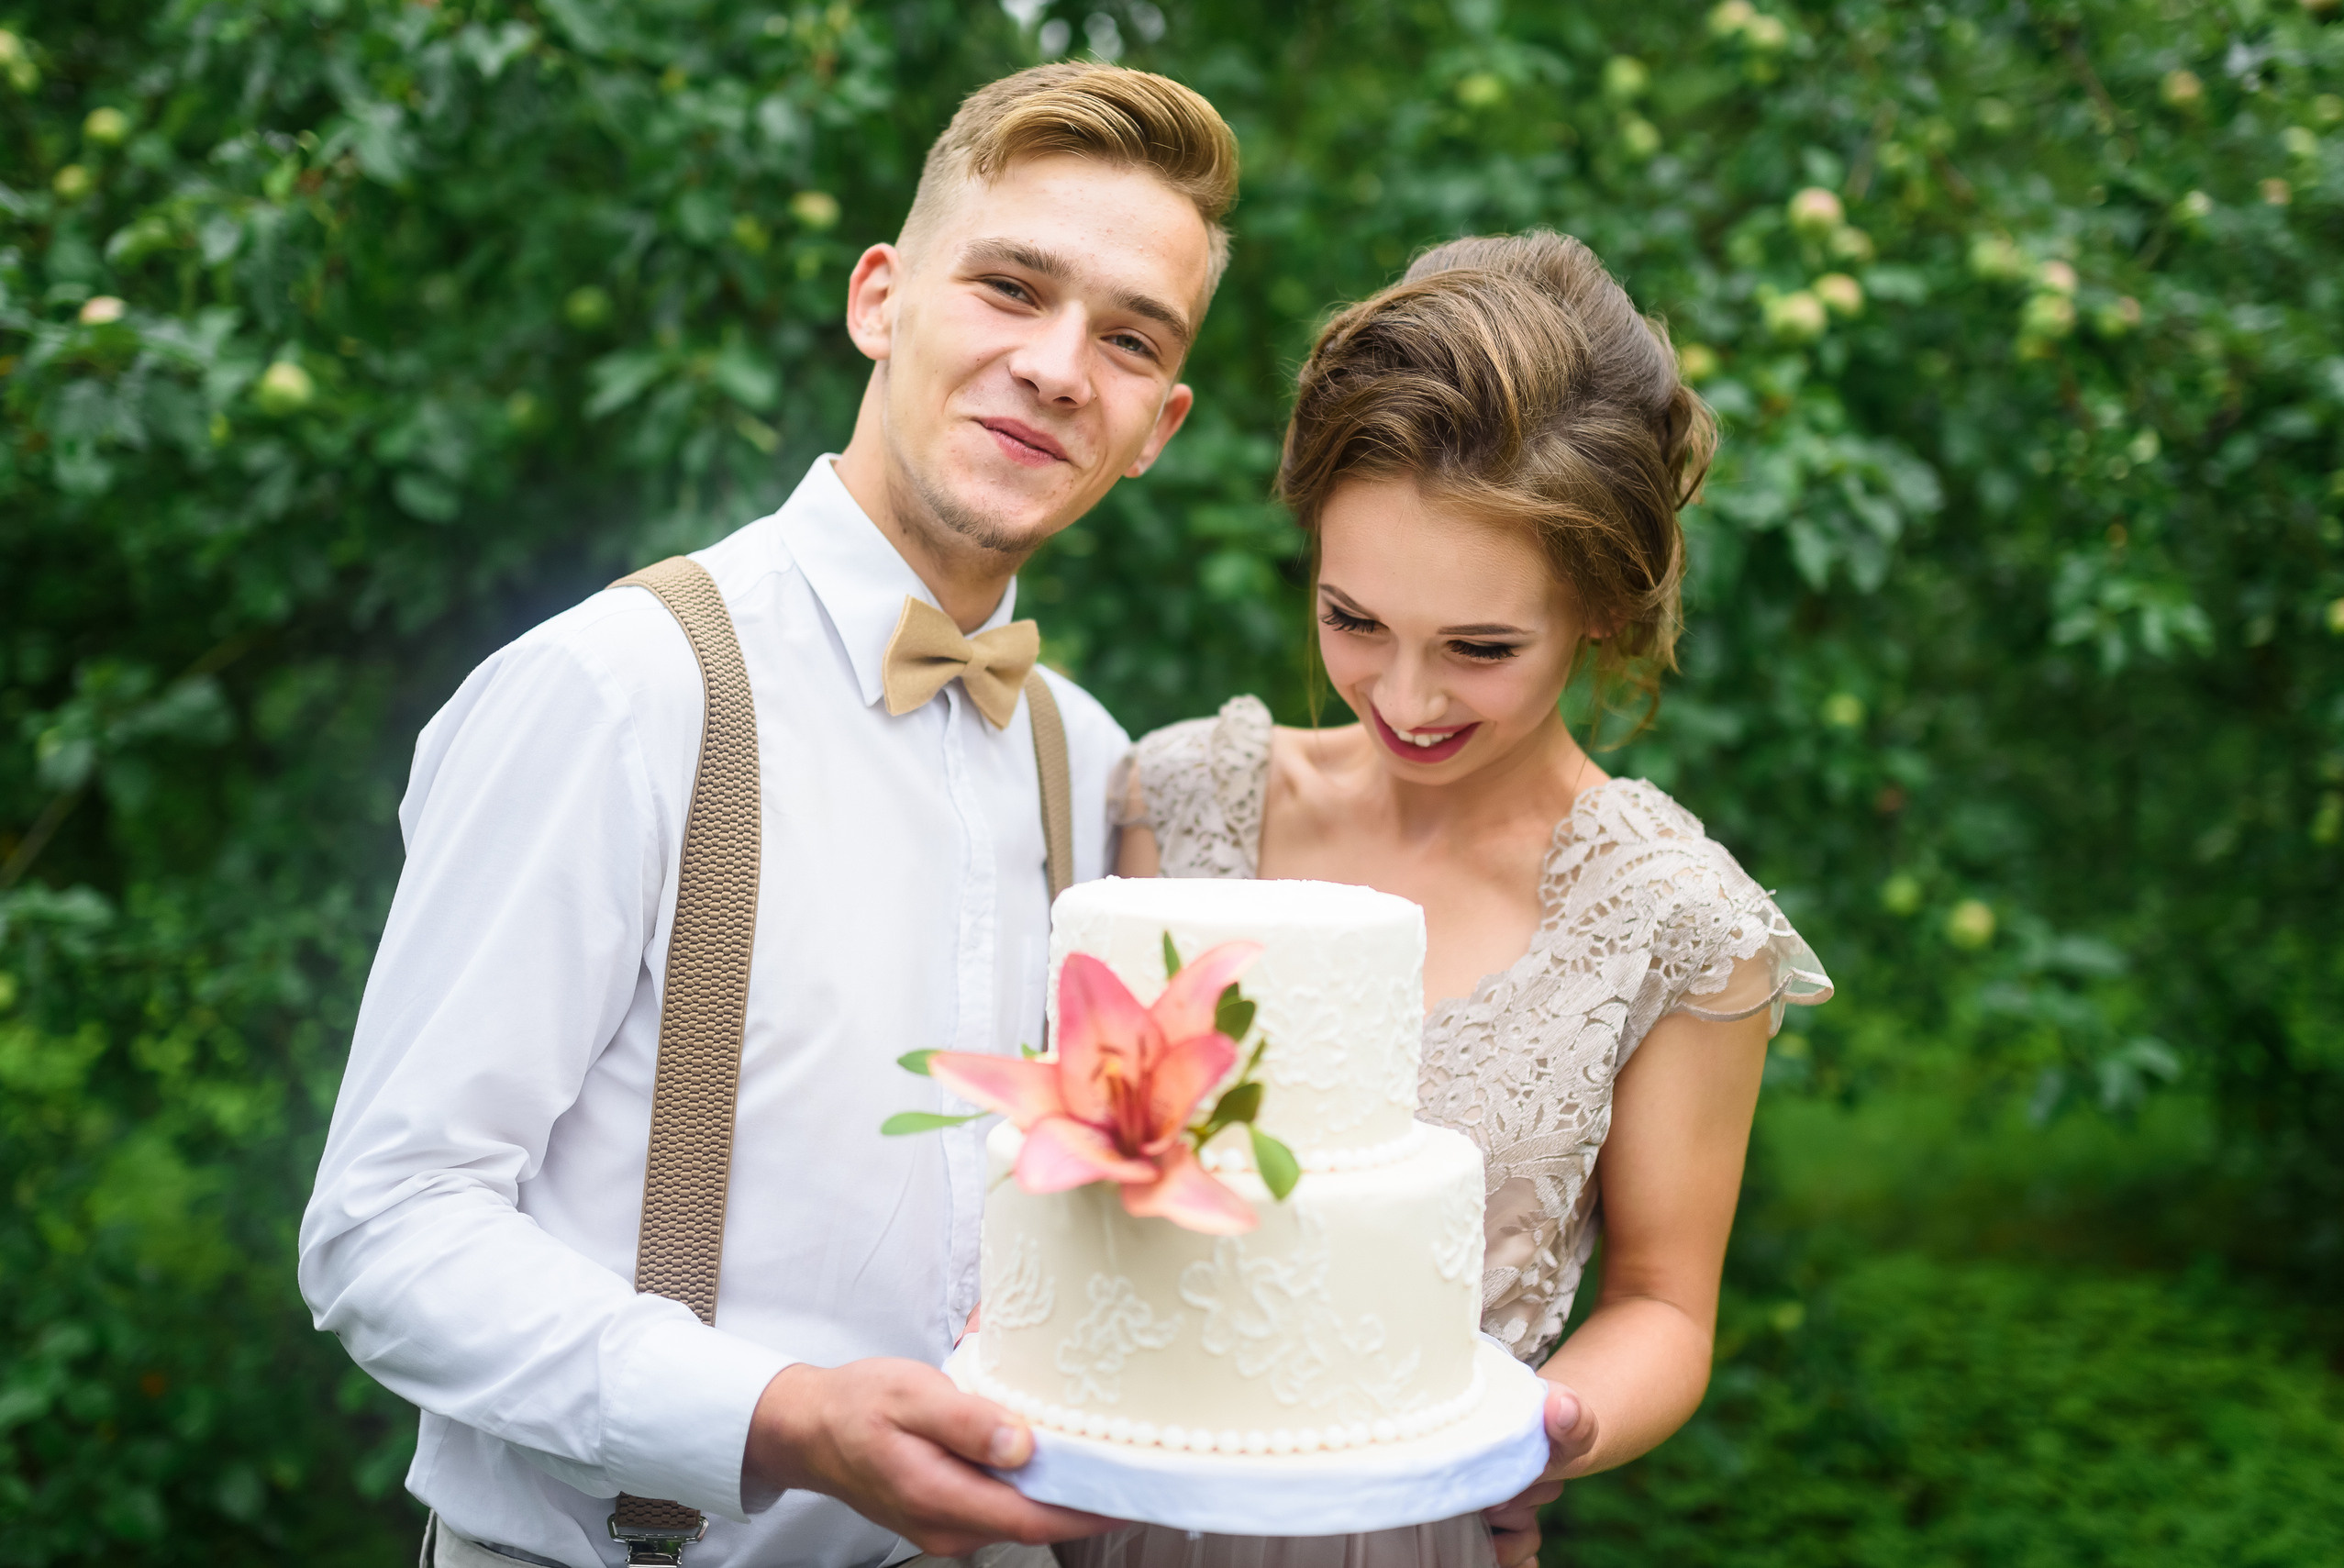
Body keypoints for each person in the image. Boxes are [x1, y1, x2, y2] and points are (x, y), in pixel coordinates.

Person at [299, 63, 1239, 1568]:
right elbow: (386, 1229)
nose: (1061, 366)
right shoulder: (616, 690)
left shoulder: (1088, 758)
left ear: (1158, 426)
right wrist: (779, 1417)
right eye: (1012, 287)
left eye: (1129, 340)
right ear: (881, 298)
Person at [1083, 231, 1833, 1568]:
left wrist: (1547, 1432)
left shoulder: (1678, 924)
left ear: (1602, 604)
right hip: (1108, 1506)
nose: (1407, 700)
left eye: (1480, 648)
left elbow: (1665, 1301)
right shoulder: (1178, 795)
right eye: (1352, 619)